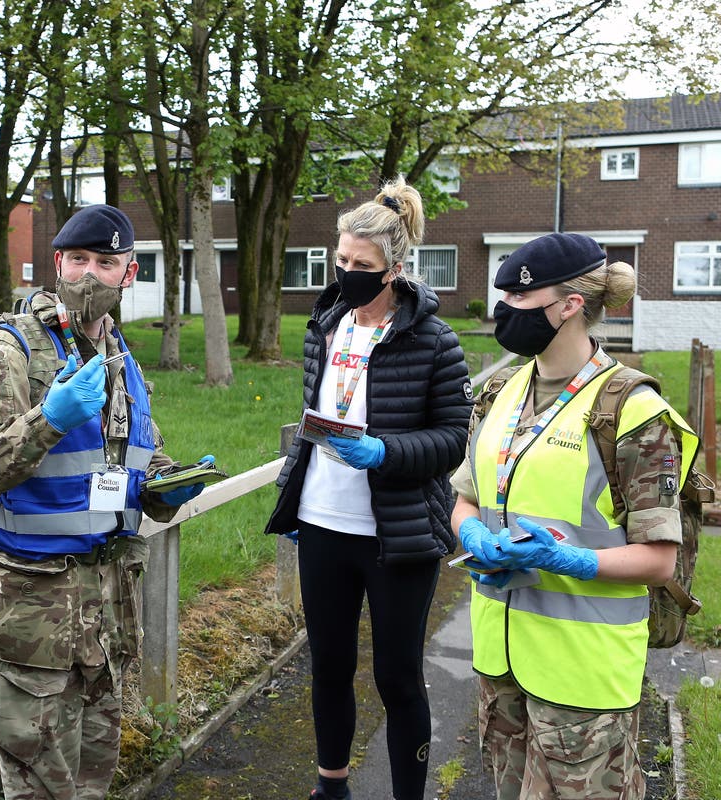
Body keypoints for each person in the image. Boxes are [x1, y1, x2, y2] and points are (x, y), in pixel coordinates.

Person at [0, 204, 210, 800]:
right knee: (39, 788)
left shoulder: (121, 356)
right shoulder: (8, 354)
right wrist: (46, 421)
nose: (89, 275)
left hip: (107, 620)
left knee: (93, 783)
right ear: (57, 264)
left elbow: (129, 456)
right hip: (33, 622)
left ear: (129, 274)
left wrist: (164, 484)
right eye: (78, 260)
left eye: (105, 263)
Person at [450, 232, 697, 800]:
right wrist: (469, 531)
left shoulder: (634, 413)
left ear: (570, 306)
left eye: (519, 301)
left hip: (583, 678)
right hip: (501, 662)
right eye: (503, 298)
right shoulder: (498, 392)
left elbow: (660, 561)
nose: (503, 312)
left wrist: (565, 559)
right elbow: (464, 496)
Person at [265, 177, 473, 800]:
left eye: (362, 266)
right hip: (322, 521)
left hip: (397, 532)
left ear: (396, 269)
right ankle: (331, 787)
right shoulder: (325, 325)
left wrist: (384, 451)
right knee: (328, 666)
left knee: (397, 676)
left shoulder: (434, 340)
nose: (347, 274)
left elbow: (452, 440)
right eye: (341, 261)